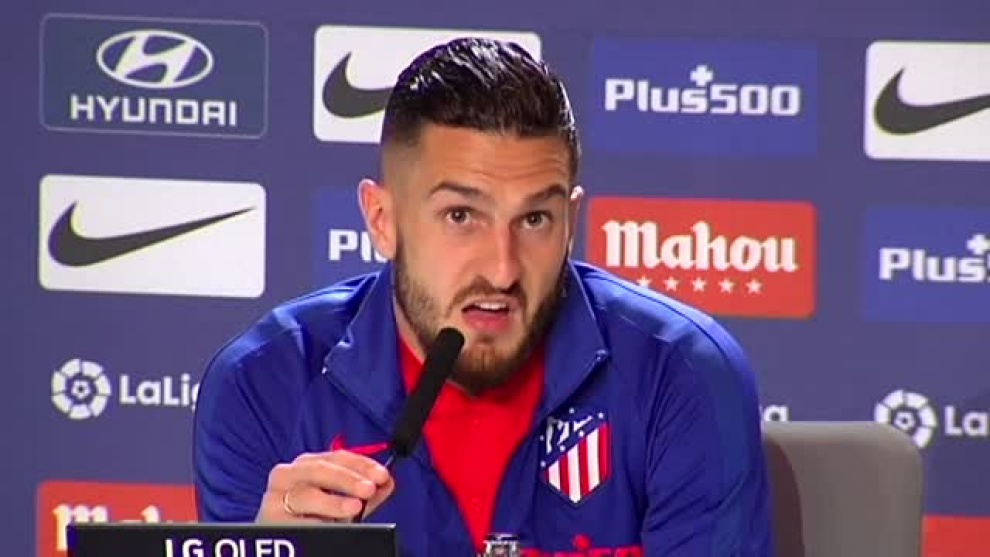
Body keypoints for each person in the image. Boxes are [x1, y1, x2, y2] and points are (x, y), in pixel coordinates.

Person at [193, 37, 774, 556]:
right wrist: (267, 553)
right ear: (382, 219)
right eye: (461, 216)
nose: (502, 270)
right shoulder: (263, 382)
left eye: (536, 219)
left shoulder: (681, 373)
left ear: (571, 221)